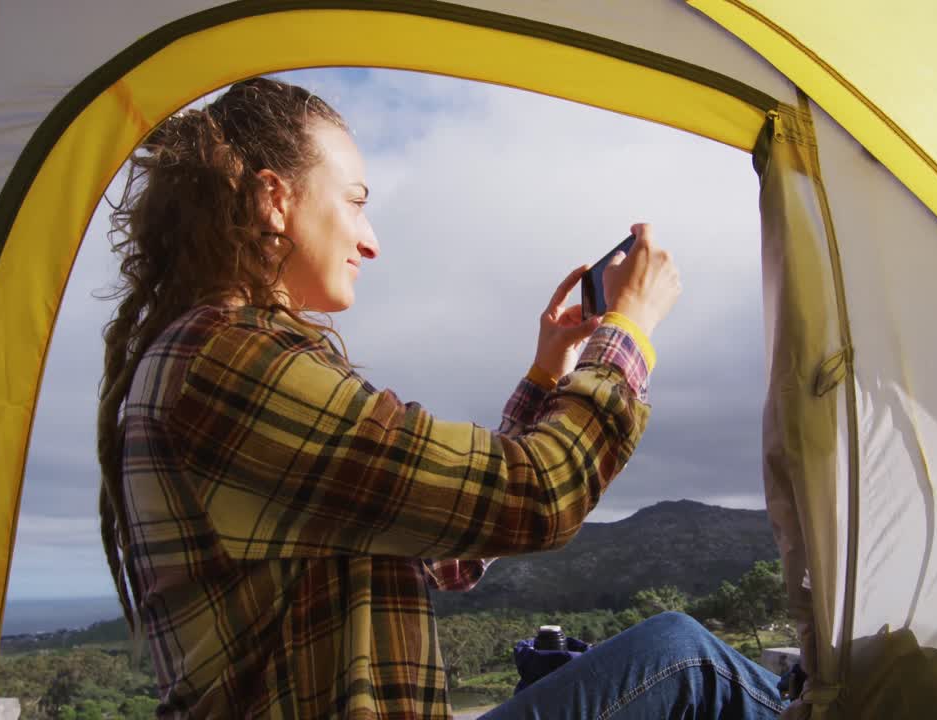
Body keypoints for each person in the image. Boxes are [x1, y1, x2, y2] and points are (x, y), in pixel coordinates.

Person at [96, 76, 785, 719]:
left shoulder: (215, 357)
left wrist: (548, 375)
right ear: (275, 201)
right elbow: (541, 495)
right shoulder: (231, 365)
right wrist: (630, 331)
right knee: (685, 660)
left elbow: (445, 550)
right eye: (356, 203)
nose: (370, 242)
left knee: (678, 654)